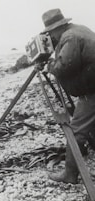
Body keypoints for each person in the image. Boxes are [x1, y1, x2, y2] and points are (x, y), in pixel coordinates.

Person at [41, 8, 95, 184]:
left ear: (56, 28)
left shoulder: (69, 37)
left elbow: (64, 66)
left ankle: (70, 174)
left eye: (50, 33)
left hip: (92, 92)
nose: (51, 37)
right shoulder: (80, 29)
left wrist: (50, 65)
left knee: (76, 130)